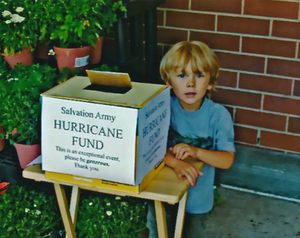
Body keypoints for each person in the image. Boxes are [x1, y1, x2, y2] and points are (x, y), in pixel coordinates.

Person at [146, 41, 235, 238]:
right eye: (182, 75)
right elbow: (146, 149)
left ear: (211, 82)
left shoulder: (218, 115)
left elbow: (227, 160)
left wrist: (196, 152)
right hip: (162, 193)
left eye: (199, 75)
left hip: (198, 200)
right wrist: (175, 163)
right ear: (168, 80)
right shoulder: (160, 109)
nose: (191, 83)